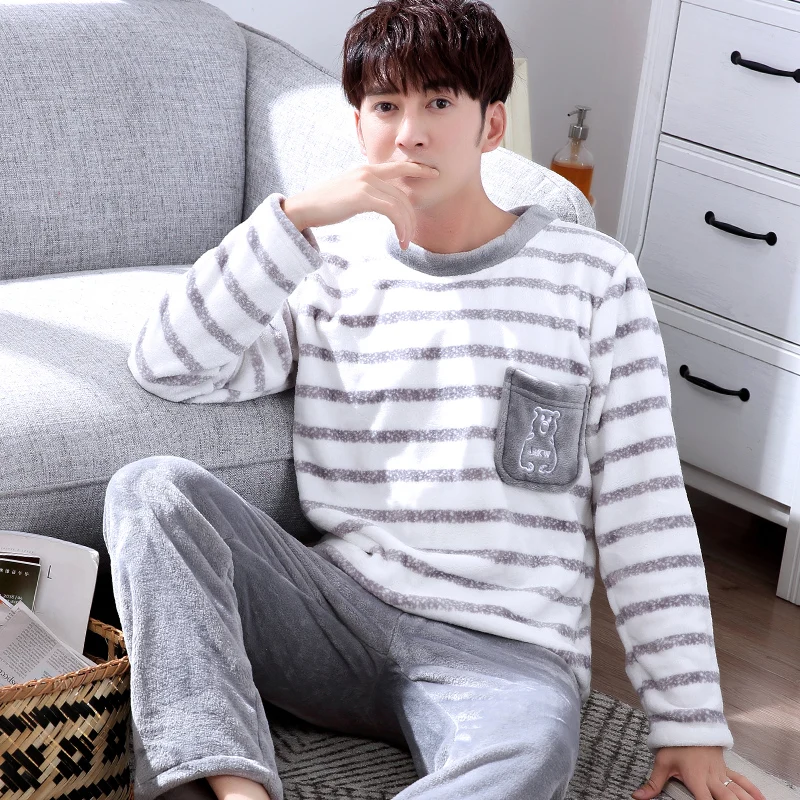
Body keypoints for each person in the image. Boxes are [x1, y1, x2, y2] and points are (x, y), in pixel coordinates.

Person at [102, 2, 769, 800]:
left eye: (439, 103)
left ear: (492, 125)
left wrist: (690, 722)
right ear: (358, 126)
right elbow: (167, 365)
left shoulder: (593, 279)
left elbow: (644, 506)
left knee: (530, 757)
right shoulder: (326, 263)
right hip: (338, 614)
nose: (410, 133)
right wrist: (295, 217)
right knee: (151, 490)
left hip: (508, 654)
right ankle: (235, 787)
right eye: (386, 105)